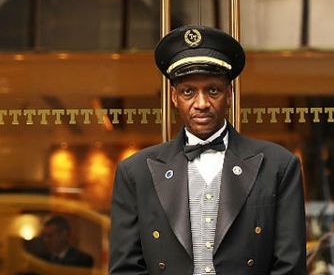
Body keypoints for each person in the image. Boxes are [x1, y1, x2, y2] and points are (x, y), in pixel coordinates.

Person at [109, 25, 306, 274]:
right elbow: (126, 269)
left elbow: (290, 266)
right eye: (188, 92)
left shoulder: (278, 165)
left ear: (229, 93)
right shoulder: (135, 172)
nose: (201, 104)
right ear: (173, 97)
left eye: (213, 90)